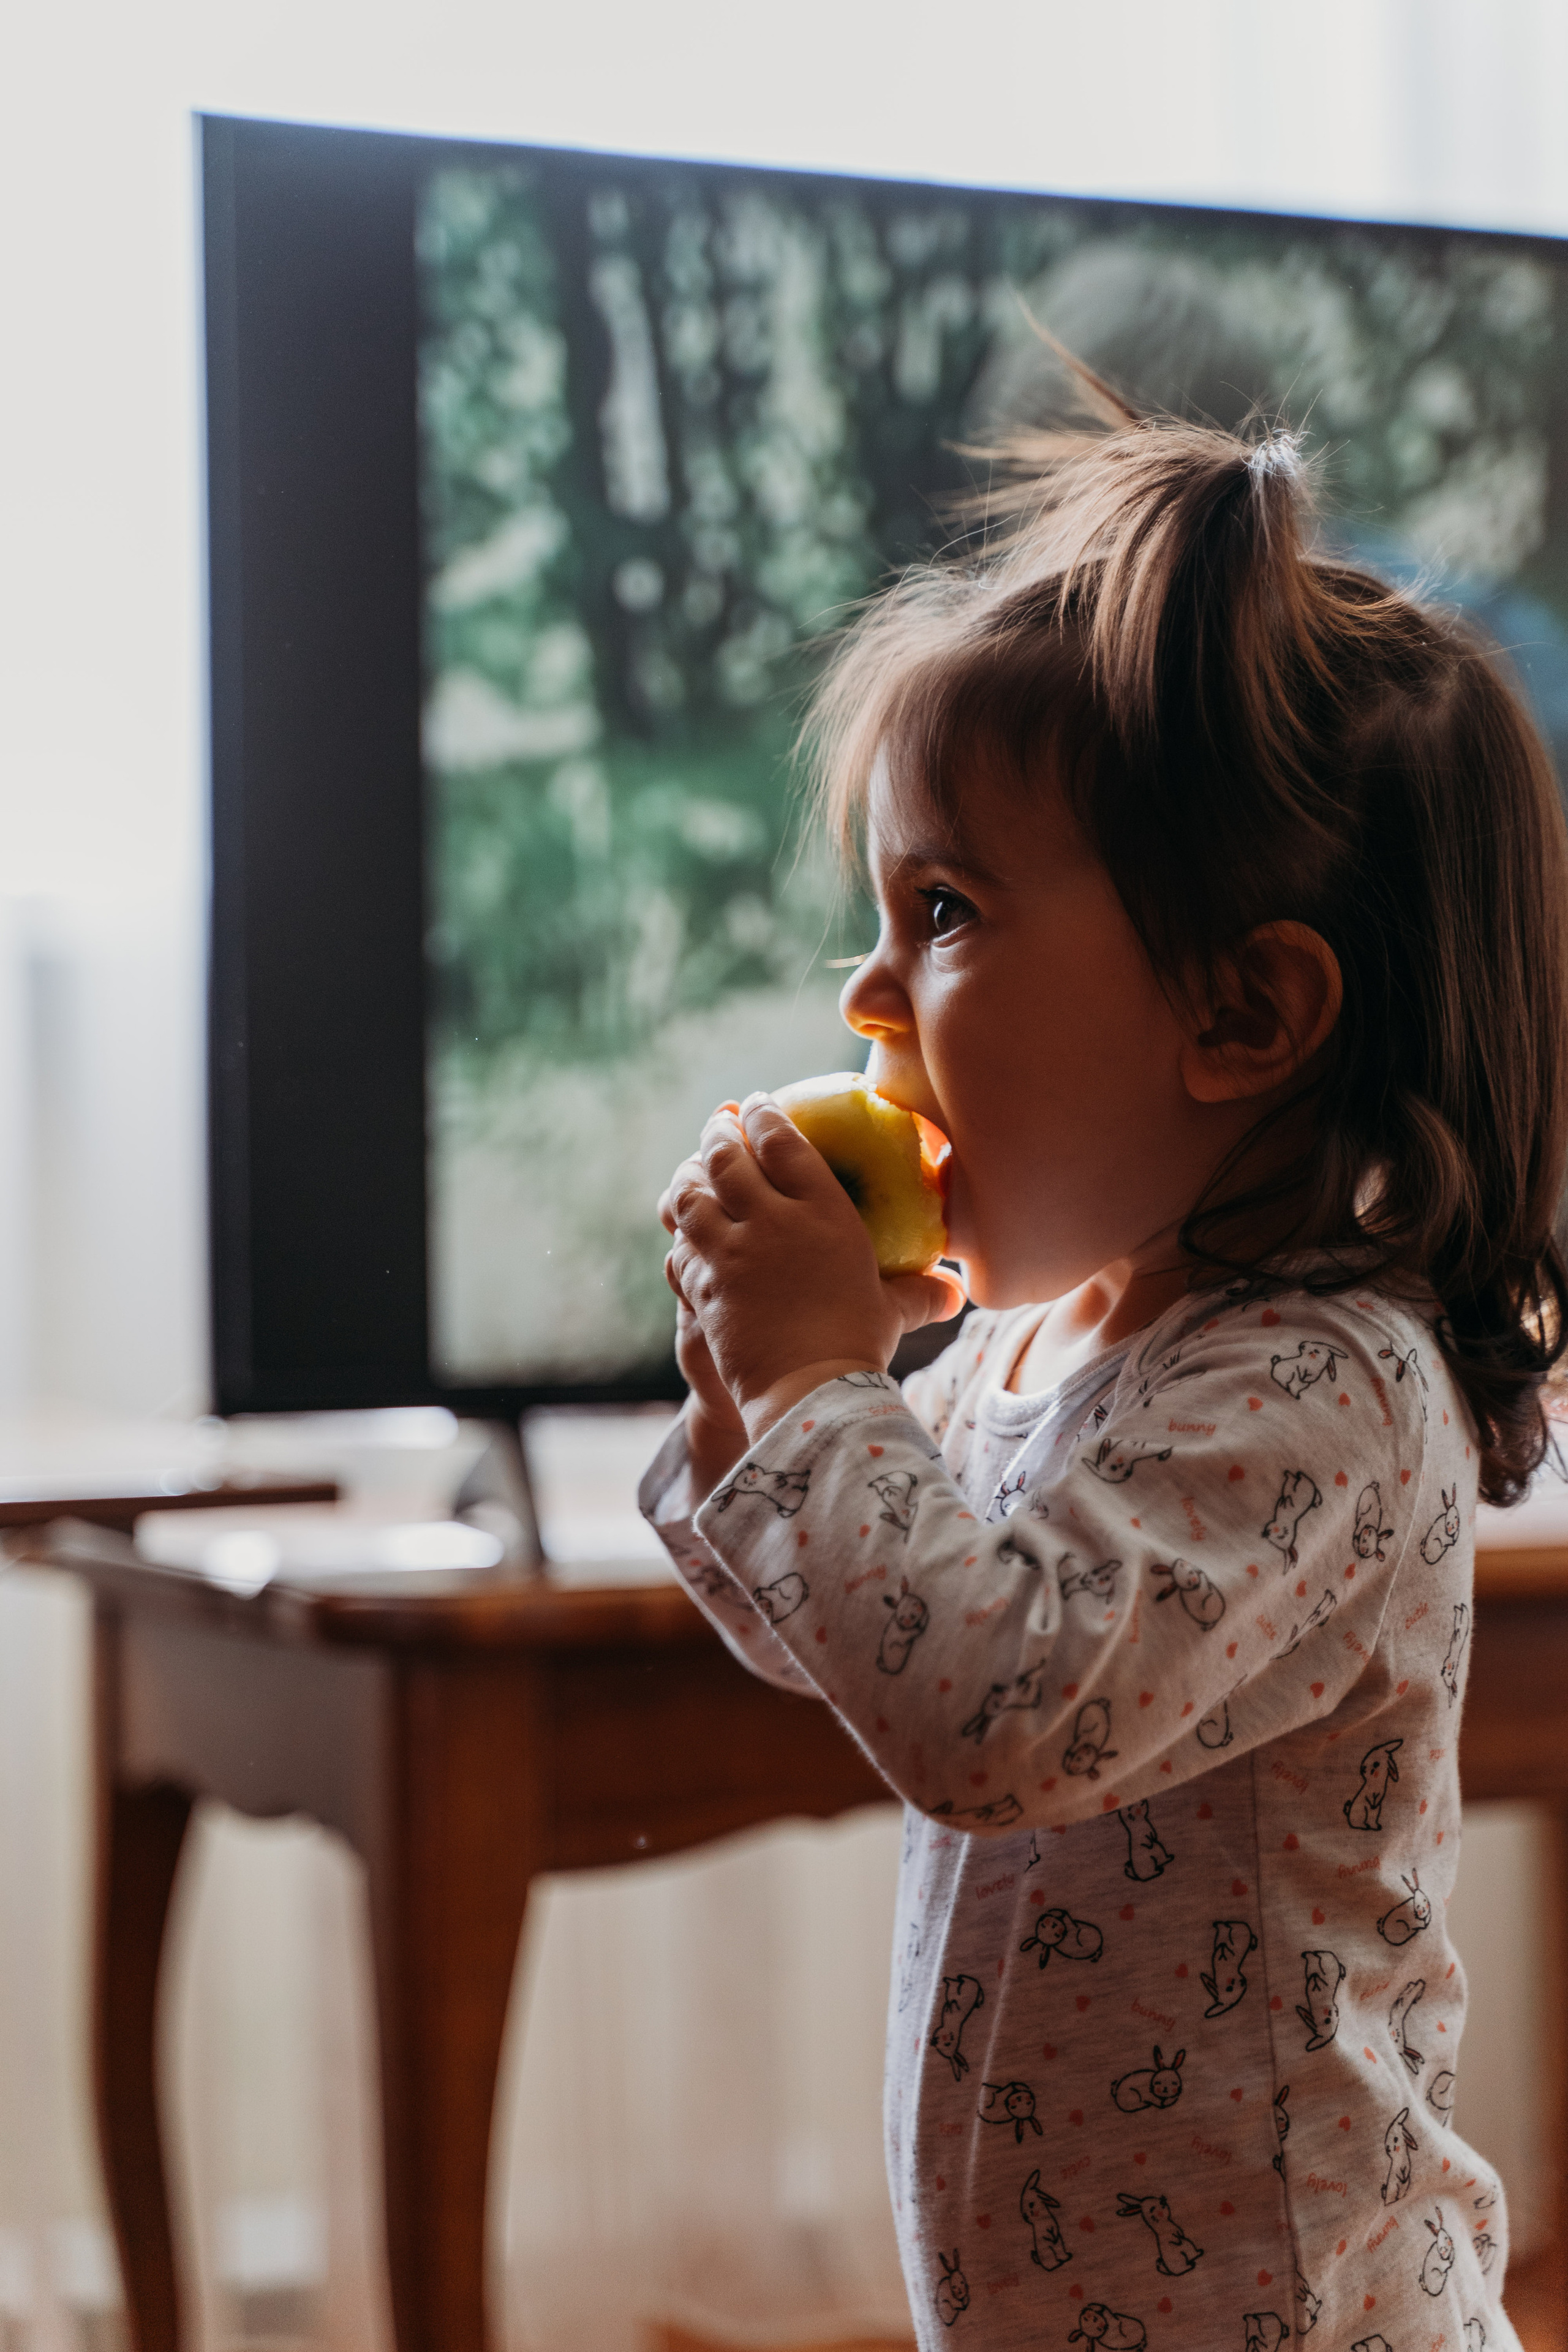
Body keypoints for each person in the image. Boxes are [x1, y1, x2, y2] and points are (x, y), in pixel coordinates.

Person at [639, 367, 1568, 2348]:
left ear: (1241, 1015)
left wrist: (825, 1398)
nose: (866, 992)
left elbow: (993, 1719)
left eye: (946, 912)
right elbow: (865, 1644)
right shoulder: (1033, 1349)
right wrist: (762, 1393)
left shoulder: (1329, 1392)